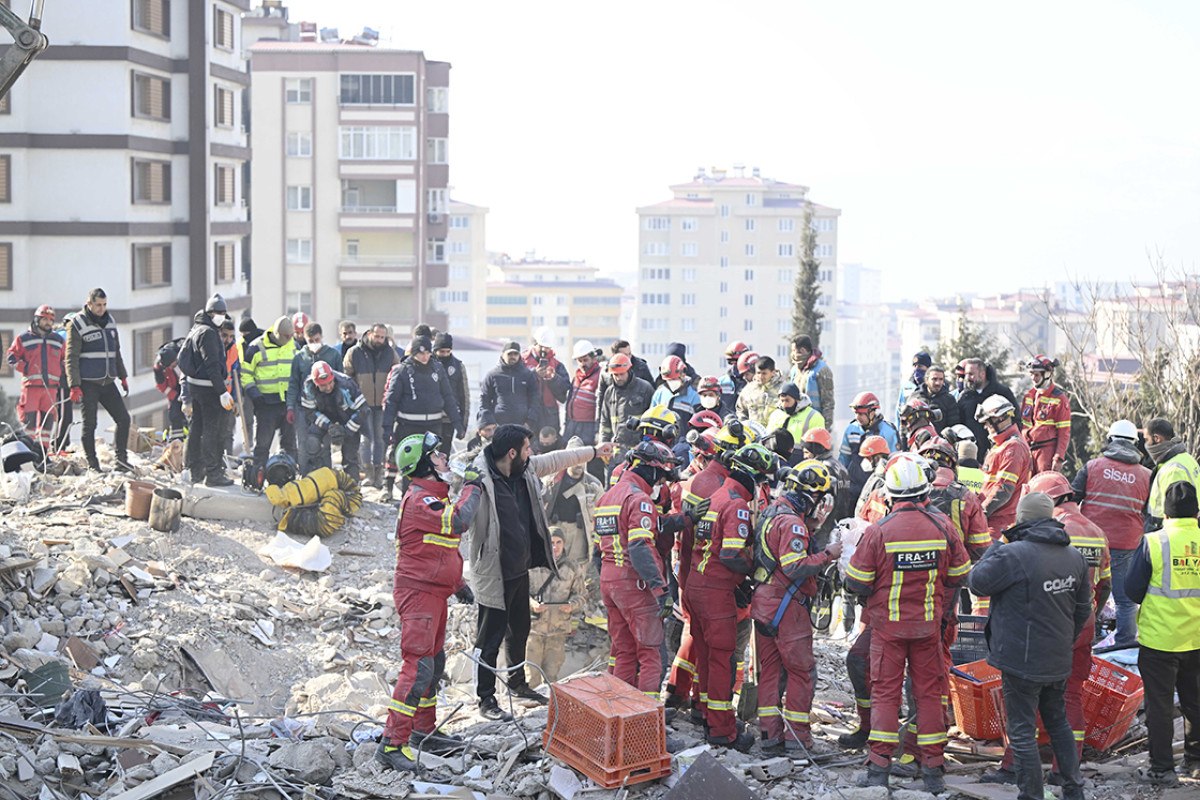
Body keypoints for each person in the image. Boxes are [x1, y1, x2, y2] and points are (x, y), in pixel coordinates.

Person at [465, 425, 612, 720]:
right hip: (494, 572)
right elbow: (462, 516)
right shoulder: (479, 480)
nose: (532, 454)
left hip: (520, 569)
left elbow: (558, 459)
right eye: (528, 448)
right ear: (512, 452)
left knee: (519, 629)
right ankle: (484, 699)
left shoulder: (526, 468)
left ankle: (518, 684)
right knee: (489, 637)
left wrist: (595, 451)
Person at [844, 453, 971, 793]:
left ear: (891, 494)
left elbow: (856, 580)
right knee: (929, 695)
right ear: (924, 492)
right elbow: (960, 574)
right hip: (929, 627)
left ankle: (879, 769)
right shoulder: (943, 527)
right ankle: (933, 769)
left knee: (886, 694)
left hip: (888, 630)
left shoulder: (880, 531)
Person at [968, 492, 1090, 800]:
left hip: (1021, 661)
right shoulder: (1073, 556)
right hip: (1057, 658)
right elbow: (1082, 610)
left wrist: (998, 544)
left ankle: (1031, 794)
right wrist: (1064, 642)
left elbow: (977, 581)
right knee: (1058, 721)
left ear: (1021, 519)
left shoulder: (1014, 554)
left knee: (1022, 729)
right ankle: (1073, 789)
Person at [376, 432, 480, 772]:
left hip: (433, 592)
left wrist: (458, 582)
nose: (444, 458)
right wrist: (473, 487)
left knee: (433, 664)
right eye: (436, 455)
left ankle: (424, 730)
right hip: (419, 595)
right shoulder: (422, 500)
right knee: (418, 667)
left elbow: (436, 548)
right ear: (424, 465)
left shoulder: (431, 497)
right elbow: (459, 521)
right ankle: (392, 743)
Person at [687, 443, 776, 751]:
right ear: (754, 477)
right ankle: (723, 731)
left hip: (696, 586)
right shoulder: (737, 504)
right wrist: (755, 571)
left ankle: (709, 713)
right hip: (715, 593)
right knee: (723, 660)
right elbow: (730, 554)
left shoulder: (716, 495)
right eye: (762, 481)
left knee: (708, 658)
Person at [753, 461, 841, 754]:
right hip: (787, 607)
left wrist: (811, 529)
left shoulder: (771, 512)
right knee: (801, 673)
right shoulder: (792, 523)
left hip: (765, 602)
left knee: (770, 672)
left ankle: (770, 736)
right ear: (809, 495)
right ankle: (797, 740)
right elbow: (793, 566)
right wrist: (828, 554)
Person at [1126, 481, 1200, 786]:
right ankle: (1196, 762)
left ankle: (1161, 768)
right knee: (1195, 702)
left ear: (1165, 515)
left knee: (1159, 705)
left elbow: (1132, 590)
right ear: (1196, 512)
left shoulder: (1154, 542)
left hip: (1159, 641)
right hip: (1197, 639)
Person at [595, 440, 678, 697]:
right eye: (660, 476)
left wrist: (683, 520)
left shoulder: (607, 497)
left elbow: (601, 546)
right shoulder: (639, 499)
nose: (660, 483)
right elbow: (640, 547)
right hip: (635, 583)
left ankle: (621, 715)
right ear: (650, 469)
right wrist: (659, 589)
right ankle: (646, 724)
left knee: (624, 652)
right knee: (651, 653)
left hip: (609, 581)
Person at [1071, 419, 1151, 647]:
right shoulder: (1146, 475)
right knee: (1125, 599)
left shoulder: (1092, 466)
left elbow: (1072, 498)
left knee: (1084, 592)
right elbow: (1150, 512)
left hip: (1090, 541)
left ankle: (1083, 637)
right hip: (1126, 544)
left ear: (1109, 440)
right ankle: (1125, 642)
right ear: (1136, 444)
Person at [381, 336, 463, 499]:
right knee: (411, 467)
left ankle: (431, 500)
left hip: (432, 427)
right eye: (420, 353)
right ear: (414, 353)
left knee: (432, 466)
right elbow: (392, 401)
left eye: (427, 353)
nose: (424, 357)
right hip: (408, 427)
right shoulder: (402, 370)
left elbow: (448, 397)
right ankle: (409, 500)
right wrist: (387, 428)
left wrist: (457, 422)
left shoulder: (437, 369)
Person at [64, 288, 131, 473]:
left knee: (124, 419)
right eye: (98, 305)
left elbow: (116, 351)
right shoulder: (77, 323)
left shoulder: (110, 321)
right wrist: (74, 385)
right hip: (88, 383)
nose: (102, 309)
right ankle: (93, 465)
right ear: (90, 303)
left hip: (108, 382)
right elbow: (71, 357)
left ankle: (122, 460)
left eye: (104, 305)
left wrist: (122, 376)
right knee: (90, 425)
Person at [181, 295, 234, 486]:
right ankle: (213, 474)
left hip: (196, 387)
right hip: (209, 390)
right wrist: (222, 392)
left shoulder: (196, 328)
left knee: (196, 429)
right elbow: (212, 365)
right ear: (211, 313)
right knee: (212, 431)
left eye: (223, 313)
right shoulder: (209, 333)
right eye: (219, 313)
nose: (221, 317)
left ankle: (193, 470)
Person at [526, 529, 588, 689]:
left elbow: (581, 596)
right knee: (530, 678)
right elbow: (518, 594)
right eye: (551, 542)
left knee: (551, 678)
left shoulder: (572, 567)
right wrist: (532, 604)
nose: (555, 546)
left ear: (564, 544)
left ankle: (550, 711)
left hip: (558, 631)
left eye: (558, 542)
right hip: (533, 630)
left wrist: (572, 605)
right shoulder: (532, 564)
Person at [344, 323, 400, 487]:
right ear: (369, 334)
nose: (379, 340)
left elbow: (397, 374)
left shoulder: (390, 353)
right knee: (366, 439)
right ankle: (368, 474)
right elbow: (347, 377)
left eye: (382, 337)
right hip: (363, 403)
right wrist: (354, 398)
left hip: (382, 404)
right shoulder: (355, 352)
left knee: (381, 439)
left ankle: (379, 474)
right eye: (377, 336)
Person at [241, 316, 297, 472]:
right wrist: (255, 395)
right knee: (263, 445)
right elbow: (245, 374)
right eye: (287, 336)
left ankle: (288, 474)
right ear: (277, 333)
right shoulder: (256, 347)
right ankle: (258, 475)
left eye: (291, 336)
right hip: (266, 404)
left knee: (289, 444)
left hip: (288, 402)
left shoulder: (294, 347)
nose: (290, 339)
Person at [6, 305, 65, 452]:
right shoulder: (23, 338)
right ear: (37, 319)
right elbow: (11, 357)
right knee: (28, 425)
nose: (48, 323)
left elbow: (65, 360)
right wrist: (25, 368)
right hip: (31, 388)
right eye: (45, 319)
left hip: (51, 389)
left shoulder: (58, 340)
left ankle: (42, 454)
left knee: (47, 426)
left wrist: (63, 374)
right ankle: (27, 453)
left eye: (51, 320)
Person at [288, 323, 342, 472]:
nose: (313, 344)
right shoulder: (299, 358)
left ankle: (325, 477)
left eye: (316, 340)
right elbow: (293, 383)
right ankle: (306, 477)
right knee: (304, 445)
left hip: (326, 408)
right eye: (310, 341)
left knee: (325, 445)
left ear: (321, 337)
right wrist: (290, 407)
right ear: (305, 339)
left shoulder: (333, 355)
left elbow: (341, 383)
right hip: (303, 408)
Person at [976, 394, 1032, 537]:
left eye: (988, 422)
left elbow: (1003, 489)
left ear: (999, 419)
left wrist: (979, 514)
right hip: (991, 522)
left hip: (999, 525)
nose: (985, 427)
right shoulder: (1001, 446)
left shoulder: (1013, 448)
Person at [542, 436, 604, 564]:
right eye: (575, 459)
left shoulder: (594, 485)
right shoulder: (550, 481)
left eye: (583, 459)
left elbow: (602, 517)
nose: (579, 463)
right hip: (555, 530)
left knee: (577, 571)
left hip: (580, 534)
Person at [300, 362, 365, 475]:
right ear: (316, 383)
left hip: (348, 420)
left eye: (330, 383)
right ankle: (324, 478)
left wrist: (346, 431)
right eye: (323, 385)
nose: (328, 387)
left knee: (350, 456)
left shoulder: (347, 384)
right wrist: (329, 426)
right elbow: (309, 411)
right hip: (324, 419)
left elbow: (363, 410)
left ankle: (352, 486)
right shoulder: (308, 386)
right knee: (313, 443)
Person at [839, 392, 900, 501]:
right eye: (856, 413)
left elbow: (895, 462)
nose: (858, 417)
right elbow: (844, 459)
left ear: (872, 412)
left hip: (877, 488)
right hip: (853, 488)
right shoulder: (851, 430)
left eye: (861, 414)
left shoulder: (888, 432)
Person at [957, 358, 1020, 460]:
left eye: (971, 374)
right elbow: (959, 422)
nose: (967, 378)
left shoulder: (1002, 392)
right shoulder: (965, 396)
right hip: (972, 453)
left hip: (1000, 450)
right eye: (966, 374)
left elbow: (1016, 419)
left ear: (982, 374)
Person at [1143, 417, 1200, 530]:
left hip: (1167, 528)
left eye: (1146, 439)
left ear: (1157, 438)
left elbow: (1176, 509)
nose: (1145, 444)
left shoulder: (1173, 469)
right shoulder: (1186, 458)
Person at [597, 353, 654, 462]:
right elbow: (605, 423)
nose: (618, 378)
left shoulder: (645, 389)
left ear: (629, 370)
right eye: (615, 375)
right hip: (617, 451)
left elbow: (653, 420)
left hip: (640, 450)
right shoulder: (609, 392)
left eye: (622, 374)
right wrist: (603, 444)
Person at [1020, 356, 1072, 475]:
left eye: (1037, 375)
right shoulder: (1029, 396)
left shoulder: (1059, 399)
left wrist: (1058, 458)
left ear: (1048, 374)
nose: (1033, 378)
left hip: (1046, 452)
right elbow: (1022, 425)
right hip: (1027, 451)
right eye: (1031, 374)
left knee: (1042, 488)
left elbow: (1064, 432)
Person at [479, 341, 540, 429]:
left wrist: (529, 422)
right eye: (510, 354)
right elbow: (484, 399)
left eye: (515, 354)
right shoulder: (493, 375)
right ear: (503, 354)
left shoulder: (527, 375)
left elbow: (535, 399)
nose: (513, 356)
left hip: (523, 426)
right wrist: (489, 422)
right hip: (499, 425)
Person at [522, 328, 570, 431]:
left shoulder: (557, 365)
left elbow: (564, 392)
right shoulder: (522, 361)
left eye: (547, 347)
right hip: (527, 413)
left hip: (549, 414)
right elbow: (515, 382)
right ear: (535, 344)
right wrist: (534, 374)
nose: (544, 350)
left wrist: (553, 378)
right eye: (541, 346)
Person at [434, 332, 469, 454]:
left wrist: (463, 424)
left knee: (444, 454)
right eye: (441, 352)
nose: (444, 355)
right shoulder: (428, 364)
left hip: (449, 419)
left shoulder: (458, 366)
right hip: (431, 418)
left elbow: (464, 396)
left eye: (447, 351)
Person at [789, 335, 835, 426]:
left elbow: (828, 402)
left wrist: (826, 426)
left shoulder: (822, 370)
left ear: (802, 350)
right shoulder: (794, 370)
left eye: (794, 351)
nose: (792, 354)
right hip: (796, 422)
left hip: (815, 422)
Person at [563, 340, 601, 446]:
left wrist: (597, 431)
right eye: (580, 361)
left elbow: (601, 406)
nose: (583, 364)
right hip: (572, 424)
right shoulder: (577, 377)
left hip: (588, 426)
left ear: (593, 359)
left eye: (585, 360)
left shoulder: (599, 377)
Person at [152, 338, 186, 442]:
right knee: (174, 414)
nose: (172, 367)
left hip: (188, 385)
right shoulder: (159, 366)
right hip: (174, 389)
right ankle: (177, 441)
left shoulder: (184, 353)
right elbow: (161, 385)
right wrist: (174, 395)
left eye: (173, 365)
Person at [734, 356, 783, 428]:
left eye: (764, 373)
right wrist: (744, 426)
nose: (760, 376)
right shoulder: (748, 390)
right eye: (758, 373)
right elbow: (741, 410)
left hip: (775, 434)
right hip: (753, 434)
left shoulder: (782, 389)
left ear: (773, 372)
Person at [651, 355, 700, 426]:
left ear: (683, 374)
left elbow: (698, 424)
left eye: (674, 379)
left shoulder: (694, 396)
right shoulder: (660, 393)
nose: (671, 382)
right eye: (669, 380)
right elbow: (652, 417)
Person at [913, 364, 961, 433]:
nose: (938, 383)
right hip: (918, 441)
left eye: (941, 379)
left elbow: (954, 426)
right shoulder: (915, 397)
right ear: (926, 380)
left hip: (940, 442)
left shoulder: (949, 400)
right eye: (934, 379)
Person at [895, 351, 932, 426]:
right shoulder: (906, 387)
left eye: (920, 366)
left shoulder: (933, 386)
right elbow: (899, 411)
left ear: (928, 368)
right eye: (914, 366)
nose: (916, 369)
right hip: (910, 427)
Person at [718, 341, 752, 409]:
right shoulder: (722, 382)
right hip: (727, 418)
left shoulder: (752, 382)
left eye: (738, 361)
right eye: (731, 361)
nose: (735, 365)